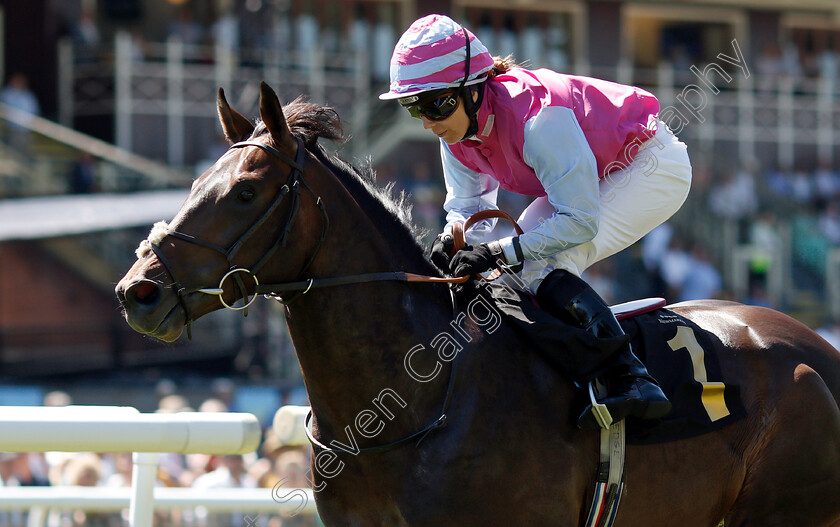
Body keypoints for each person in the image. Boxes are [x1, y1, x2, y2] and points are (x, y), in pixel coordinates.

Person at [380, 14, 692, 430]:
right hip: (595, 174)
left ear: (475, 90)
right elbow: (468, 206)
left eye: (436, 104)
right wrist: (455, 236)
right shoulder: (456, 132)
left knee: (540, 262)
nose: (428, 121)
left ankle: (629, 375)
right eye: (414, 106)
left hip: (650, 165)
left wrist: (496, 251)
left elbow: (580, 223)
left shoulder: (539, 119)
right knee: (516, 264)